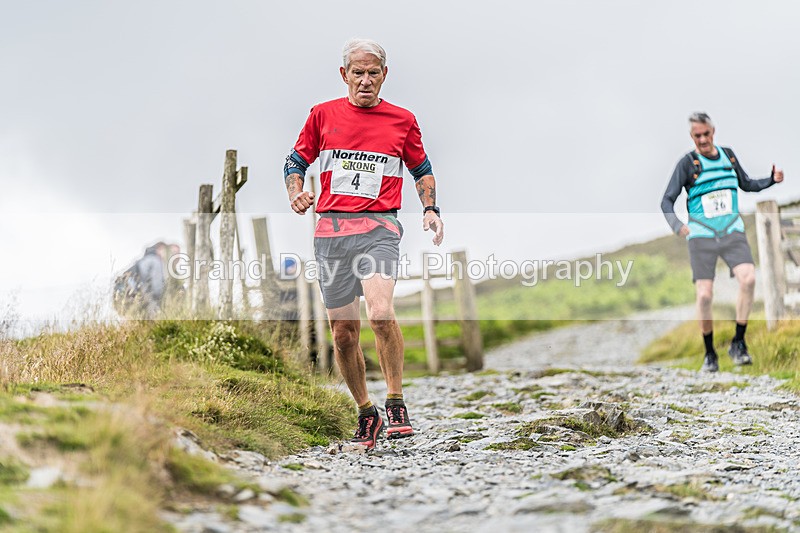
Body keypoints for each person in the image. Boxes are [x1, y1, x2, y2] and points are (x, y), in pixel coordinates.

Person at [283, 38, 443, 449]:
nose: (366, 80)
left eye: (374, 73)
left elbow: (421, 169)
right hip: (331, 236)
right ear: (344, 75)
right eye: (358, 73)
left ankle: (395, 401)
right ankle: (366, 412)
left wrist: (431, 210)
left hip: (379, 230)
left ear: (385, 75)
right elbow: (294, 160)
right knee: (343, 334)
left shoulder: (402, 120)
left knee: (382, 311)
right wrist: (295, 190)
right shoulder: (322, 115)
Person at [661, 112, 784, 372]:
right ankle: (709, 354)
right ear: (692, 136)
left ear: (713, 131)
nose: (703, 139)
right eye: (697, 136)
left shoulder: (728, 156)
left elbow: (747, 184)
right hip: (702, 235)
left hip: (731, 231)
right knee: (705, 295)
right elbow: (667, 200)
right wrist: (677, 225)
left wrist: (771, 180)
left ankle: (738, 343)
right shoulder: (688, 163)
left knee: (749, 279)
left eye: (706, 134)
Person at [113, 242, 168, 319]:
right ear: (160, 249)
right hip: (132, 293)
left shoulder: (144, 260)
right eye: (166, 251)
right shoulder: (155, 260)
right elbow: (157, 287)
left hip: (123, 294)